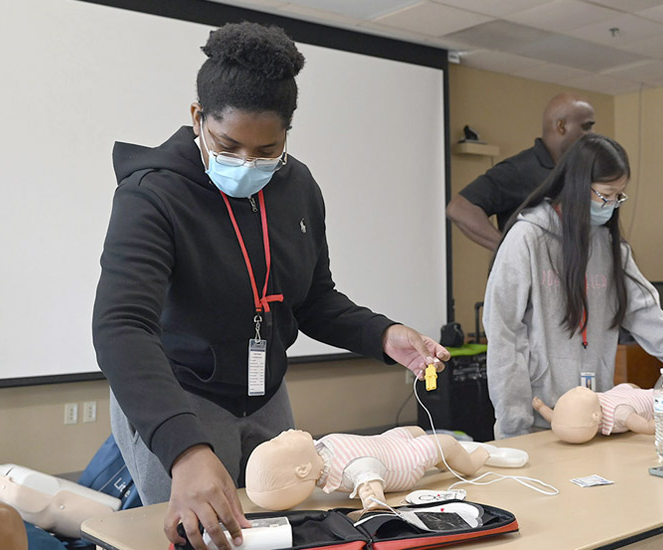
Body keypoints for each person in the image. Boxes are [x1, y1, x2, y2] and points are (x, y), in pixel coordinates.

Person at [91, 23, 449, 550]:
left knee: (285, 530)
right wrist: (186, 450)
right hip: (180, 395)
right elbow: (122, 326)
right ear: (197, 118)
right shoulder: (152, 196)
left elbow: (314, 298)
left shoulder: (297, 187)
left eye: (268, 149)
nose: (248, 164)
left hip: (266, 393)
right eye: (228, 145)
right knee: (201, 538)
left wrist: (383, 334)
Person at [483, 134, 663, 440]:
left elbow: (658, 327)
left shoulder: (612, 249)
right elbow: (504, 338)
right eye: (606, 195)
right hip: (537, 426)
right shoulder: (528, 239)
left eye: (619, 197)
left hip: (595, 421)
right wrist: (514, 428)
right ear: (576, 185)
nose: (612, 206)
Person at [445, 93, 595, 251]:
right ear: (561, 126)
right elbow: (459, 208)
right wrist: (511, 250)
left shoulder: (575, 170)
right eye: (587, 127)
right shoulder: (519, 169)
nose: (592, 135)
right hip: (528, 274)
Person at [244, 427, 519, 511]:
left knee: (415, 430)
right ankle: (478, 457)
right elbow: (372, 491)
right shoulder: (355, 469)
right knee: (445, 443)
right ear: (303, 470)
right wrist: (369, 505)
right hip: (406, 461)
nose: (284, 432)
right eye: (279, 441)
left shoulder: (315, 452)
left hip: (387, 442)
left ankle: (441, 448)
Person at [531, 385, 656, 444]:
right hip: (621, 392)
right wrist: (542, 407)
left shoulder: (619, 414)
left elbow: (647, 427)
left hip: (651, 399)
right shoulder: (584, 408)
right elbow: (556, 419)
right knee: (629, 388)